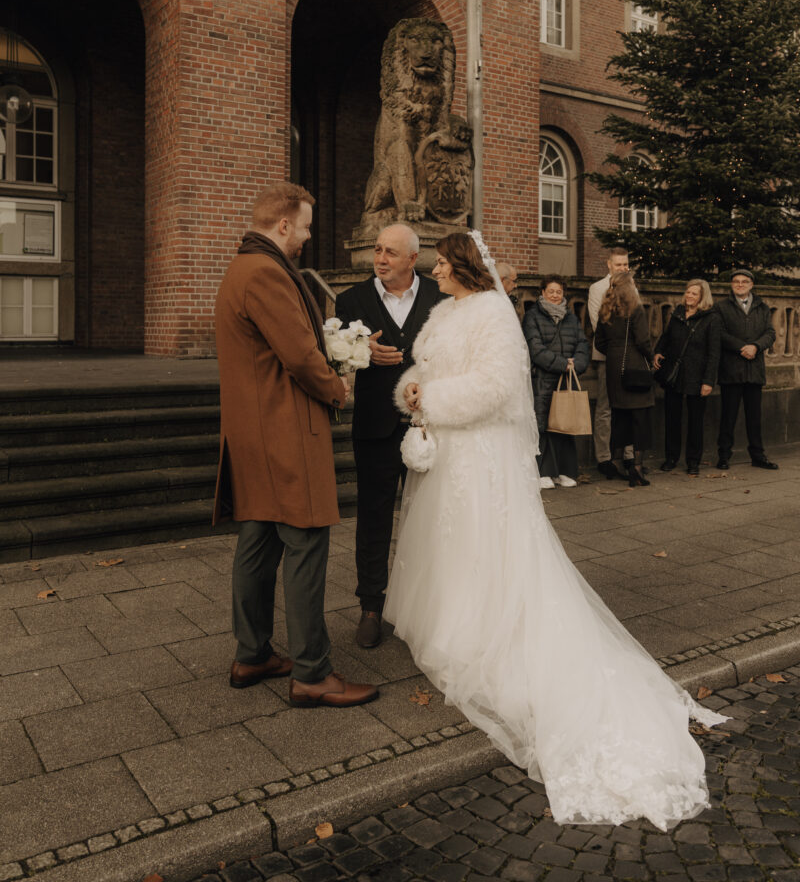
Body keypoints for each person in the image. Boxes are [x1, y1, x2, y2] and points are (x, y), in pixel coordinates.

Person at [384, 230, 725, 830]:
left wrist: (431, 398)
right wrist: (411, 386)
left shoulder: (493, 312)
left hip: (480, 455)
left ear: (464, 266)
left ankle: (485, 632)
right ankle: (452, 621)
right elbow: (425, 365)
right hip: (449, 455)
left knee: (486, 548)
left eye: (440, 264)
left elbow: (494, 388)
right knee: (449, 547)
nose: (434, 272)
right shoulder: (445, 311)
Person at [213, 183, 377, 708]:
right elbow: (301, 356)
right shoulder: (264, 271)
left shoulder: (244, 266)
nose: (308, 235)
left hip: (255, 430)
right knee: (306, 545)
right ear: (283, 224)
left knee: (258, 542)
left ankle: (253, 653)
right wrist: (336, 387)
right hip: (281, 430)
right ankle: (311, 673)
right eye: (305, 225)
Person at [335, 223, 443, 648]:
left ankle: (428, 606)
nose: (380, 258)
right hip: (376, 428)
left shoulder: (441, 298)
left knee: (431, 519)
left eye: (390, 253)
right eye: (378, 250)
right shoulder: (351, 300)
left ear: (413, 259)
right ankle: (370, 607)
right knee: (374, 518)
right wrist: (362, 356)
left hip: (430, 428)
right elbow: (335, 362)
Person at [523, 274, 590, 488]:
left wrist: (575, 364)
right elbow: (535, 349)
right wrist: (563, 363)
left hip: (566, 379)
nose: (554, 295)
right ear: (542, 293)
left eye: (558, 291)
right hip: (542, 379)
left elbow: (582, 344)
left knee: (565, 423)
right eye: (550, 291)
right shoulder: (532, 316)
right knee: (543, 425)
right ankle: (543, 471)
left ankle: (566, 471)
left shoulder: (571, 317)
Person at [653, 279, 720, 477]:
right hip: (675, 374)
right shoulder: (678, 313)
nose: (689, 296)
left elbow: (714, 353)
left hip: (697, 376)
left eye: (694, 294)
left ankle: (693, 461)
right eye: (688, 292)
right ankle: (671, 458)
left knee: (695, 421)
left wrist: (708, 381)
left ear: (702, 297)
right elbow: (666, 337)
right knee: (672, 419)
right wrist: (658, 351)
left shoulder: (711, 319)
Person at [593, 272, 653, 488]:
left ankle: (616, 462)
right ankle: (636, 468)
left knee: (619, 418)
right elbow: (644, 340)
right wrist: (651, 357)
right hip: (634, 366)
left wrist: (615, 353)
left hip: (613, 368)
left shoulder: (605, 310)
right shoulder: (636, 309)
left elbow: (599, 342)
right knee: (639, 419)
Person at [714, 269, 777, 471]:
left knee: (754, 417)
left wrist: (756, 347)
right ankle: (724, 456)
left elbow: (770, 333)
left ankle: (758, 456)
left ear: (751, 285)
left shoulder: (762, 307)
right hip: (731, 370)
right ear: (732, 285)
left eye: (744, 281)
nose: (740, 284)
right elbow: (719, 333)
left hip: (754, 370)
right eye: (736, 282)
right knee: (728, 417)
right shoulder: (721, 307)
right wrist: (741, 347)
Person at [587, 246, 634, 478]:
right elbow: (598, 326)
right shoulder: (597, 289)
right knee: (605, 408)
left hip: (630, 358)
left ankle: (628, 456)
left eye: (626, 264)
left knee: (629, 406)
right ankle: (603, 458)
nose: (623, 269)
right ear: (609, 265)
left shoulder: (633, 287)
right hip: (607, 356)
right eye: (618, 265)